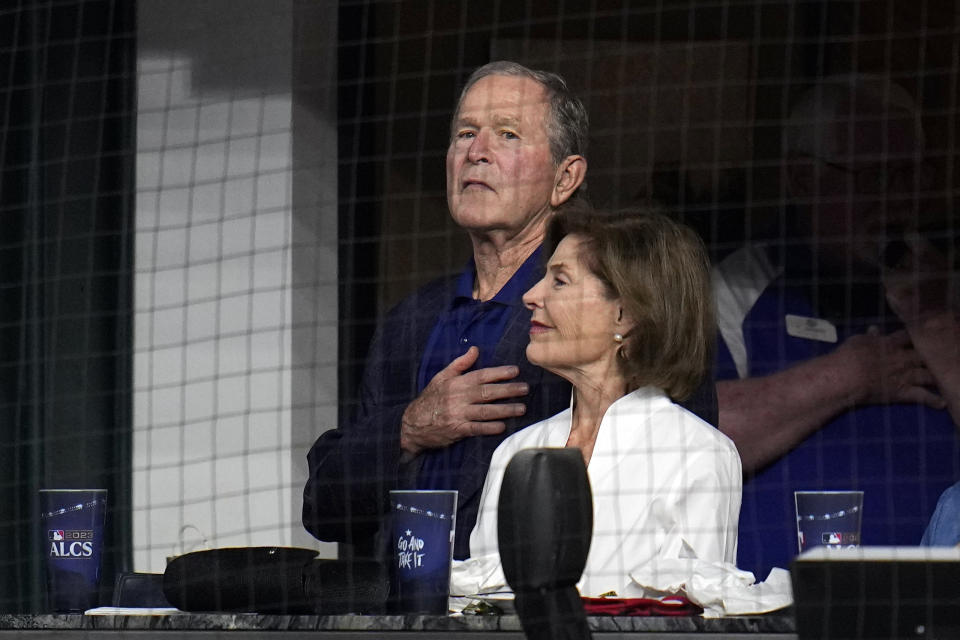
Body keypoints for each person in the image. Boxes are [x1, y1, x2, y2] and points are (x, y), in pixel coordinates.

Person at [303, 61, 717, 560]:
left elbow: (677, 452)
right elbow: (324, 509)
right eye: (464, 134)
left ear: (566, 178)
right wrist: (410, 427)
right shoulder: (411, 319)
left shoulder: (605, 307)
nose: (476, 153)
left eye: (507, 134)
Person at [713, 75, 960, 579]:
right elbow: (689, 439)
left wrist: (934, 323)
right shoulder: (737, 287)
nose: (897, 201)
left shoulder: (944, 289)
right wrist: (850, 377)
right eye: (875, 178)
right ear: (804, 181)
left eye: (910, 176)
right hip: (771, 604)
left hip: (935, 602)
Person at [455, 208, 741, 597]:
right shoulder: (516, 453)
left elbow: (693, 620)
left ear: (625, 314)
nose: (529, 296)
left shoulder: (699, 454)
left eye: (559, 281)